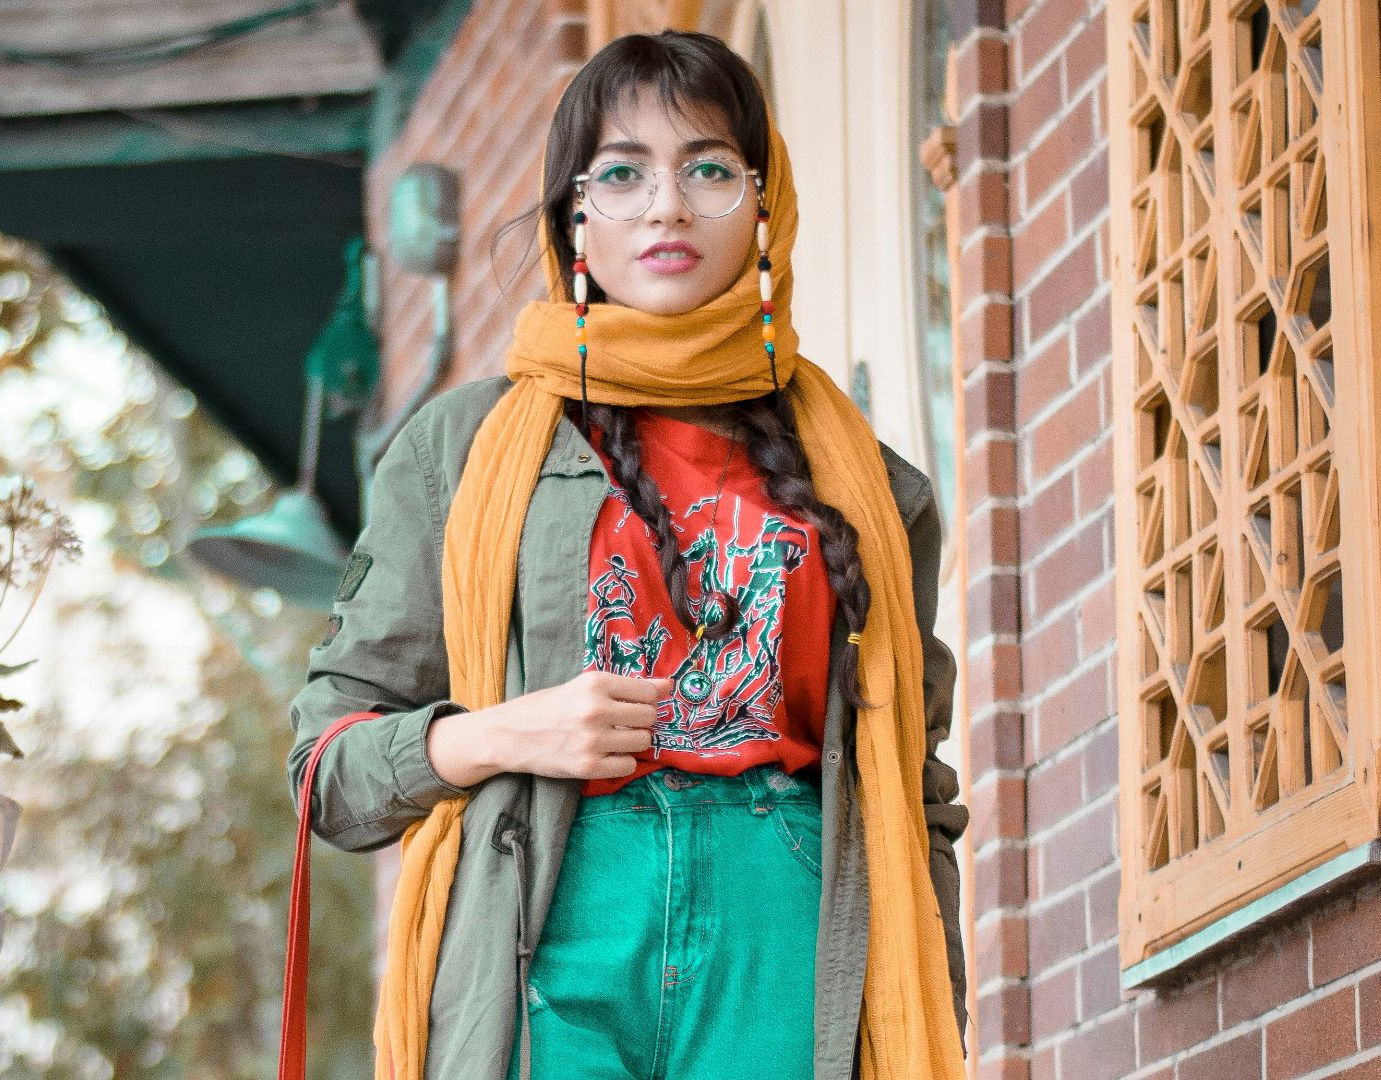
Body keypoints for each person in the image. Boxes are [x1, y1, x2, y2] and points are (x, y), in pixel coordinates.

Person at [287, 29, 969, 1080]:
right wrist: (508, 732)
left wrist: (934, 1021)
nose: (668, 207)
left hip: (778, 904)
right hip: (552, 898)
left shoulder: (871, 487)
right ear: (574, 216)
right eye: (622, 173)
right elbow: (325, 772)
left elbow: (917, 800)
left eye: (708, 168)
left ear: (763, 204)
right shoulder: (463, 451)